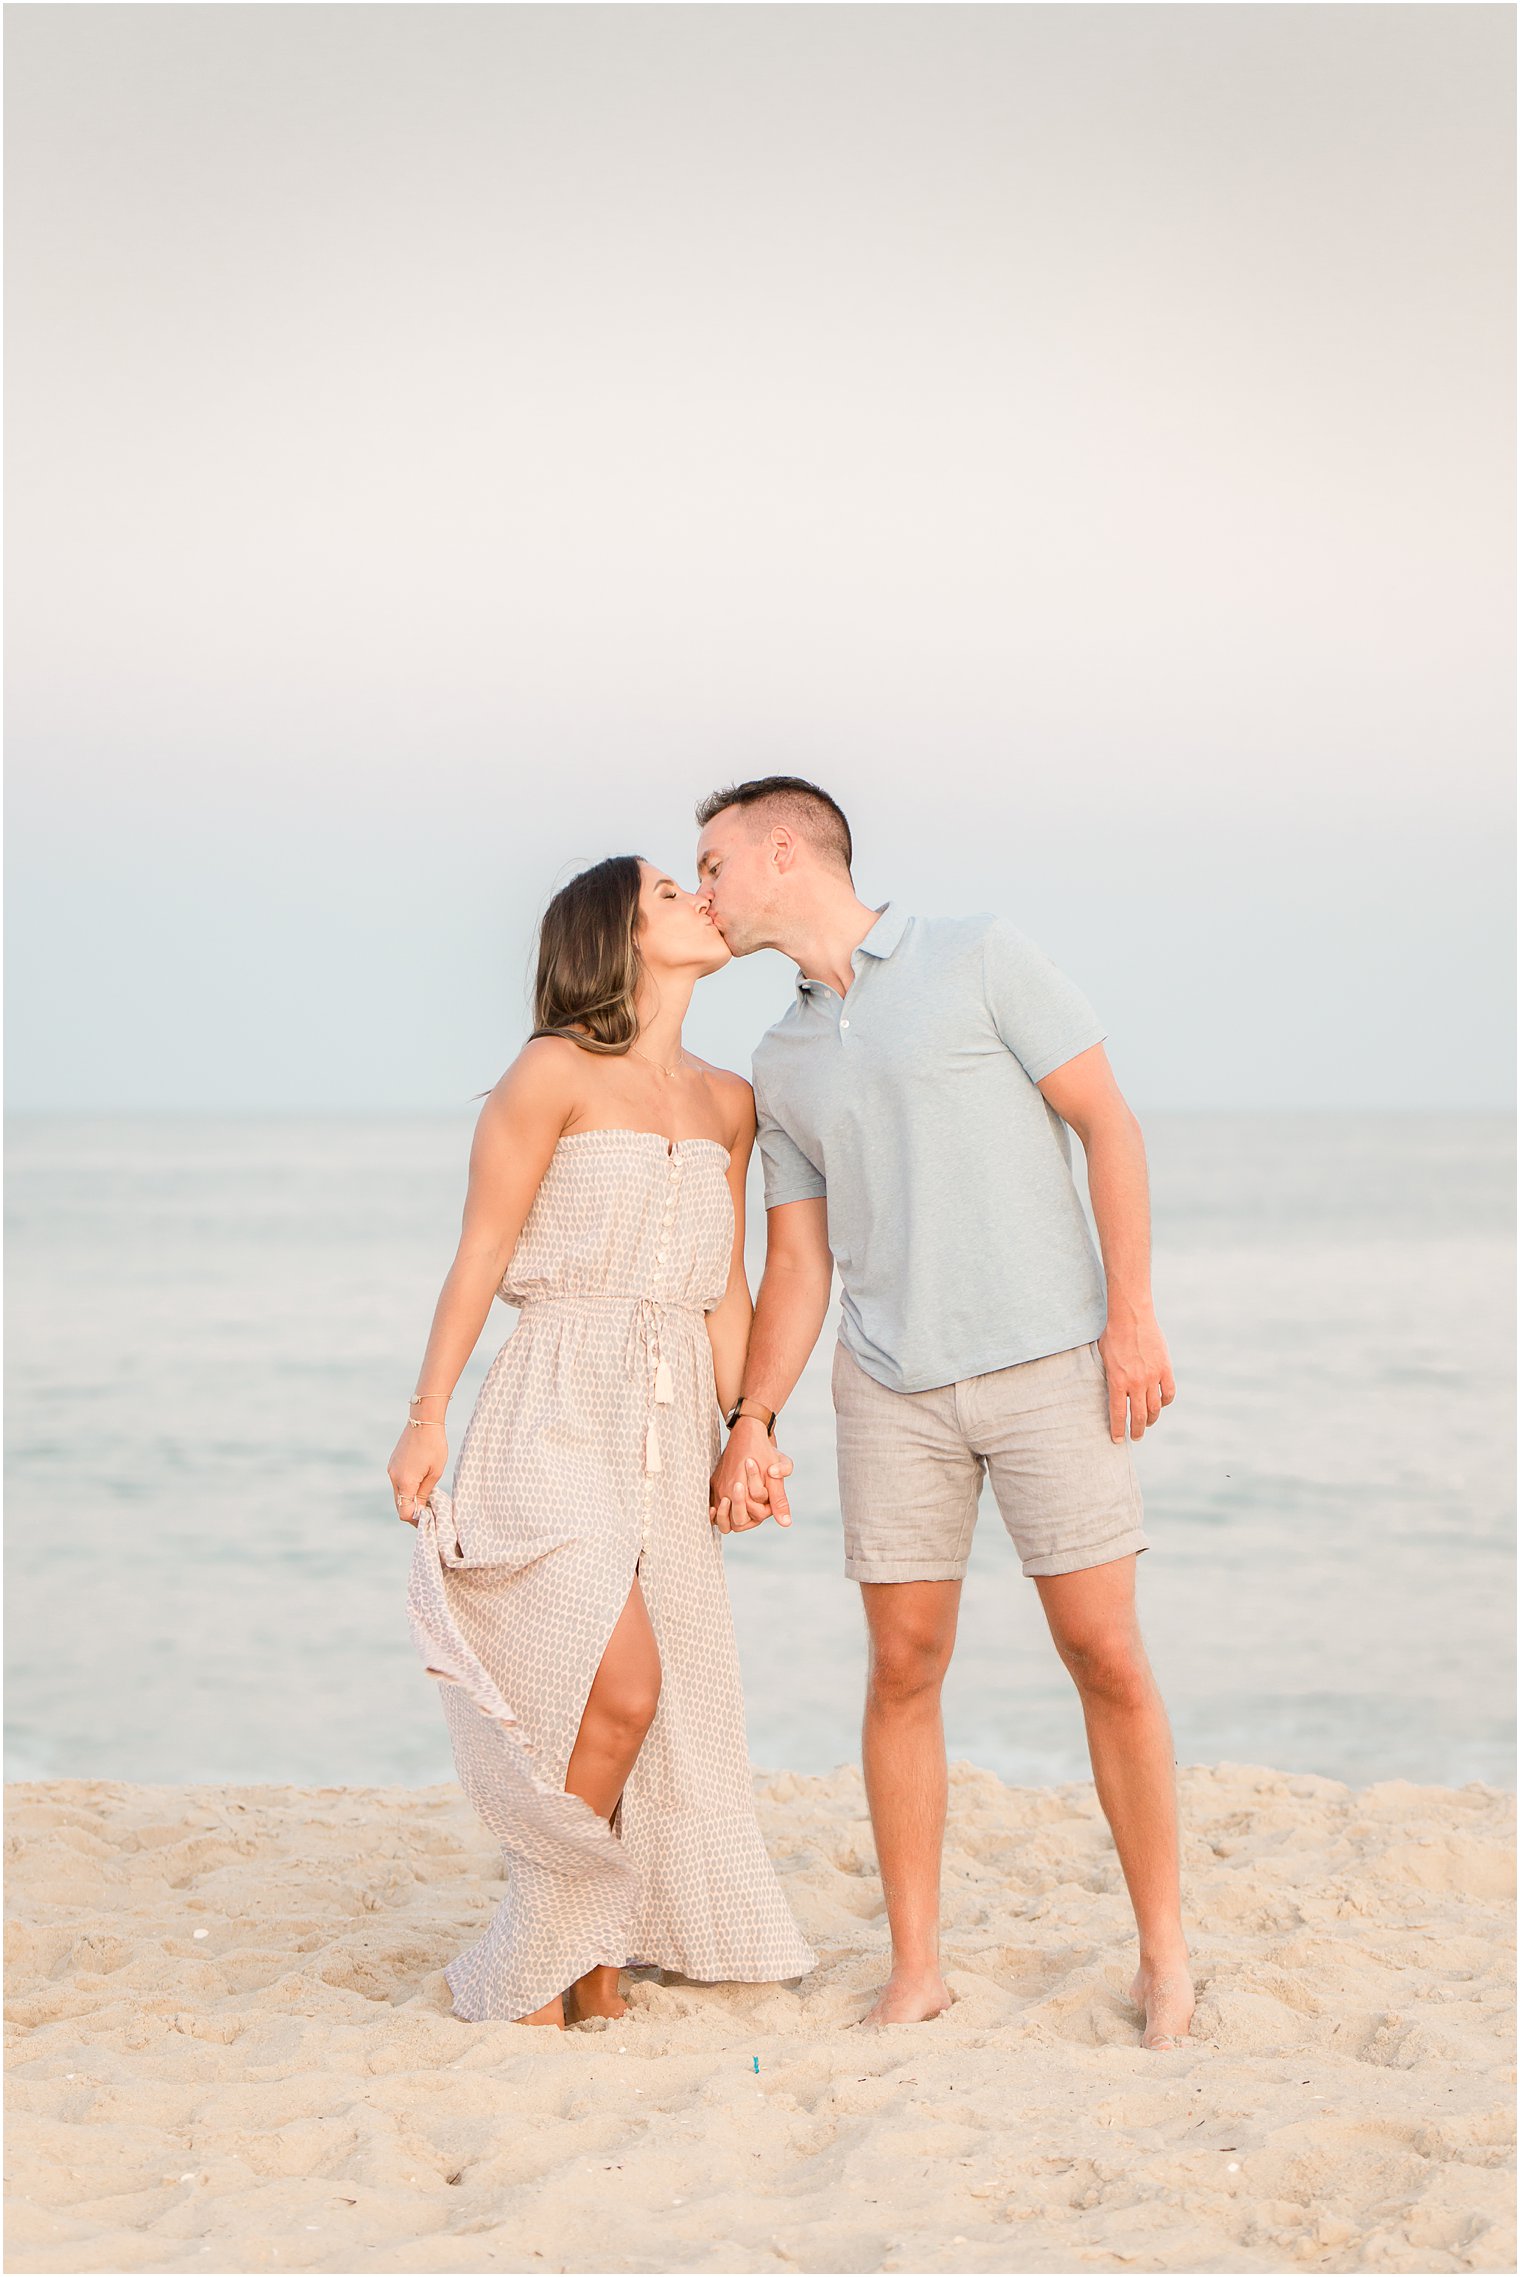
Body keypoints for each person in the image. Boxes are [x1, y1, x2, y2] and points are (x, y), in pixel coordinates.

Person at [696, 777, 1194, 2050]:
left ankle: (1164, 1953)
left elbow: (1108, 1124)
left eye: (712, 865)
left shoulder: (976, 954)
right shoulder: (780, 1057)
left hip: (1045, 1365)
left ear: (782, 847)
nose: (702, 892)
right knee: (903, 1669)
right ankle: (917, 1968)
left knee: (1104, 1656)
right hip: (890, 1389)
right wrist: (753, 1417)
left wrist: (1129, 1315)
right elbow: (799, 1263)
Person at [390, 854, 814, 2028]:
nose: (699, 901)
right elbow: (479, 1255)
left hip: (674, 1415)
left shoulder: (727, 1098)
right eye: (672, 894)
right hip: (554, 1398)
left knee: (657, 1694)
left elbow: (724, 1284)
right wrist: (426, 1416)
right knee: (613, 1685)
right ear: (617, 936)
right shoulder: (550, 1073)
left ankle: (590, 1971)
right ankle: (550, 1947)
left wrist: (750, 1430)